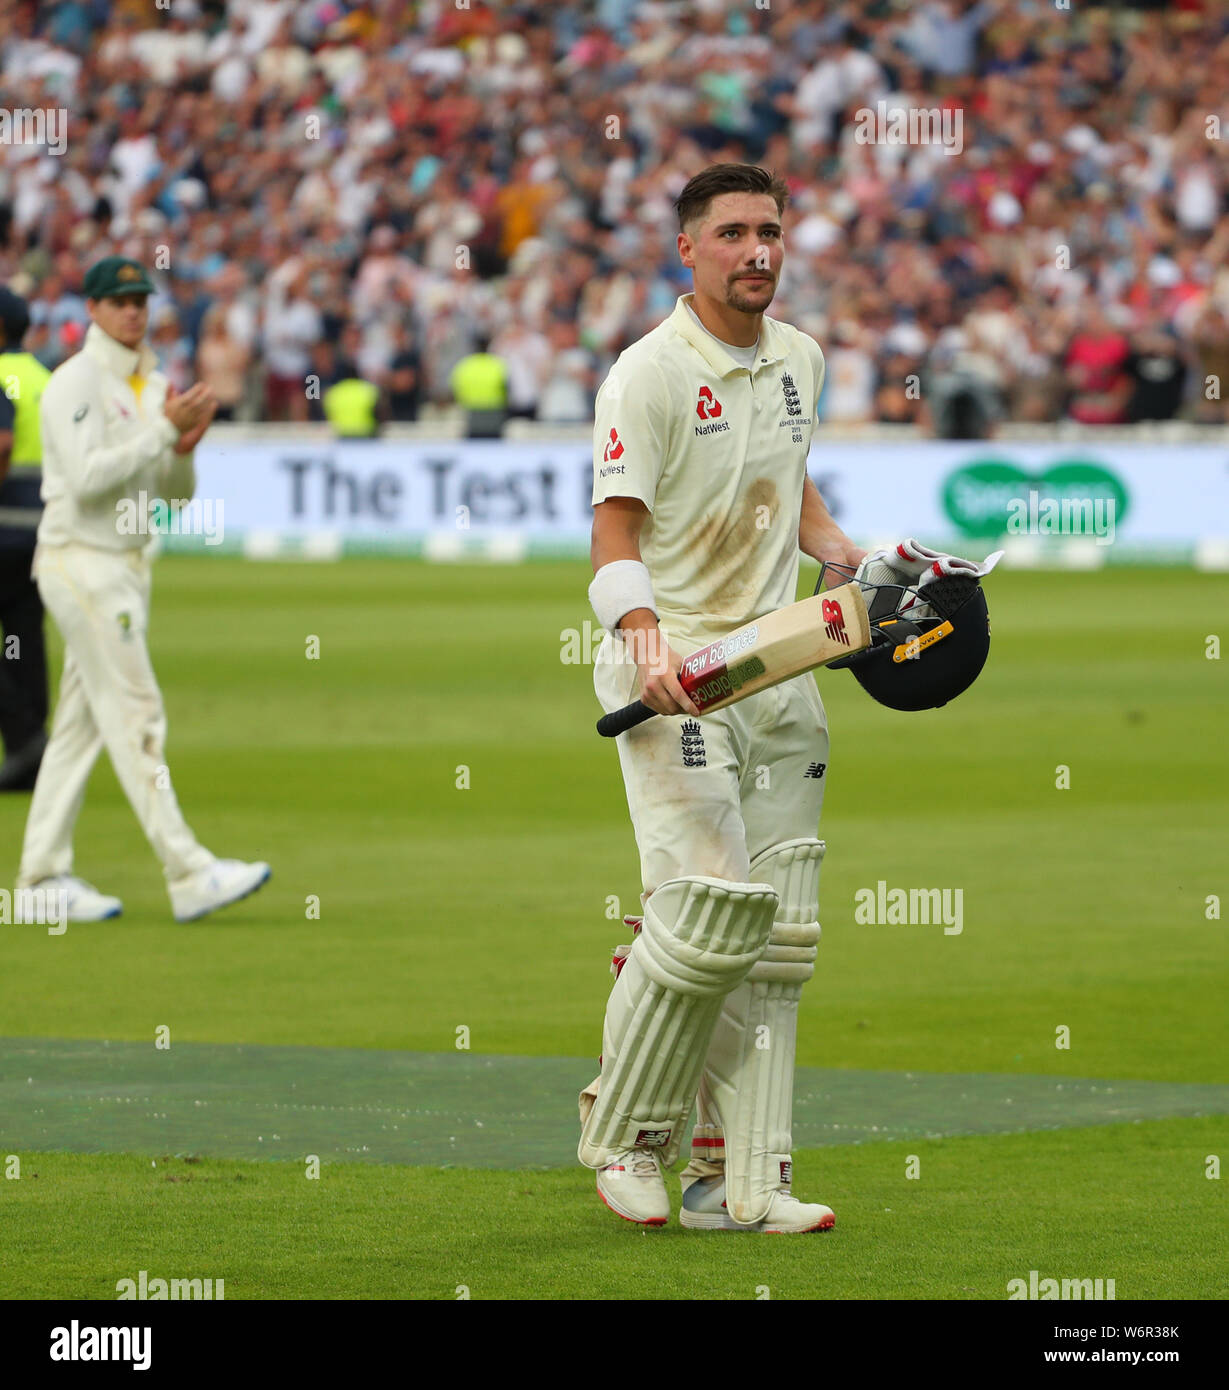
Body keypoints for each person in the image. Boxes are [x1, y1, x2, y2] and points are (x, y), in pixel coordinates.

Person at [579, 164, 866, 1232]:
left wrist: (837, 550)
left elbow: (787, 485)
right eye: (735, 233)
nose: (758, 250)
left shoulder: (800, 357)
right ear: (689, 250)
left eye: (771, 232)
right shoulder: (645, 374)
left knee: (777, 937)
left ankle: (748, 1180)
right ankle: (624, 1133)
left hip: (779, 666)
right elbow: (613, 534)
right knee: (704, 921)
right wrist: (641, 634)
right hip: (678, 674)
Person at [15, 256, 271, 923]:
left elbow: (170, 504)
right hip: (80, 560)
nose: (133, 310)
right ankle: (187, 871)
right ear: (92, 309)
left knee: (78, 727)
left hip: (127, 564)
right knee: (137, 715)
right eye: (119, 300)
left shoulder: (151, 383)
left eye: (140, 299)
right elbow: (84, 477)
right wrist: (162, 429)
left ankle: (41, 879)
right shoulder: (75, 382)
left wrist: (182, 450)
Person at [0, 286, 51, 790]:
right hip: (42, 528)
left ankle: (23, 738)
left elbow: (3, 440)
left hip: (4, 522)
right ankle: (36, 755)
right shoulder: (46, 378)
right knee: (23, 636)